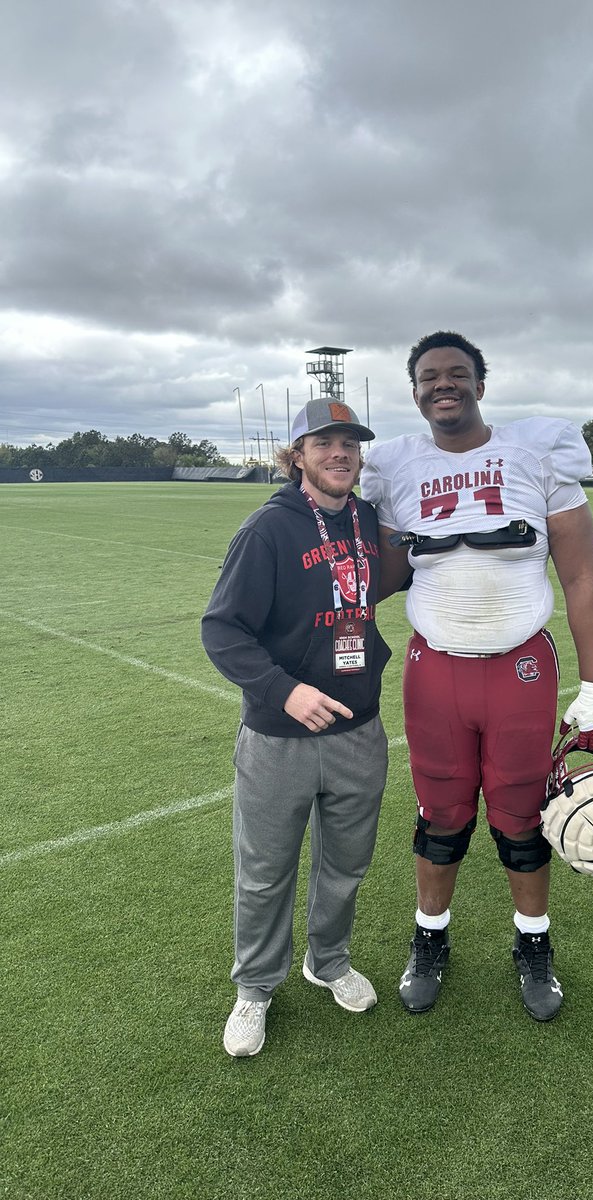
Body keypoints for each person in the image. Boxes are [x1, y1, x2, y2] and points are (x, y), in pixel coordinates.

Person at [361, 331, 593, 1023]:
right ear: (414, 391)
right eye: (429, 377)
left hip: (520, 669)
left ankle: (533, 944)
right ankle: (429, 938)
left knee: (520, 819)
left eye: (457, 373)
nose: (443, 385)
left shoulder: (535, 455)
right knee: (441, 819)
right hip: (434, 669)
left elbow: (583, 577)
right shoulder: (396, 468)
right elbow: (383, 576)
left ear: (480, 382)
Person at [201, 399, 392, 1057]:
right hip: (280, 739)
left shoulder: (367, 519)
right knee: (264, 871)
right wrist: (285, 691)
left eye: (350, 443)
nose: (341, 453)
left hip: (359, 732)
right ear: (297, 455)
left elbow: (370, 588)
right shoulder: (269, 530)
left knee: (346, 865)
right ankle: (254, 988)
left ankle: (328, 960)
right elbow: (222, 629)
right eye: (325, 443)